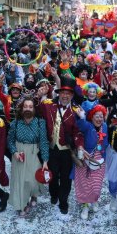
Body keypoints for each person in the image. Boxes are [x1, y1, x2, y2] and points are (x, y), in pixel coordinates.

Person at [38, 77, 84, 214]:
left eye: (68, 94)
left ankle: (63, 201)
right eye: (63, 93)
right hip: (51, 149)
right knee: (52, 175)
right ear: (59, 93)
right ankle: (54, 194)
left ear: (72, 95)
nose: (65, 96)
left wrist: (80, 146)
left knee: (65, 178)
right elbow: (34, 110)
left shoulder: (77, 111)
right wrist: (38, 96)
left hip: (66, 151)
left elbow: (78, 132)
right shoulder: (47, 104)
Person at [7, 98, 49, 217]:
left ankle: (34, 195)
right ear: (22, 108)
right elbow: (10, 140)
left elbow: (44, 142)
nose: (28, 109)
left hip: (34, 153)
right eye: (25, 106)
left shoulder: (40, 122)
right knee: (21, 181)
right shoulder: (15, 123)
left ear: (34, 109)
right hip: (19, 153)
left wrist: (45, 160)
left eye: (31, 107)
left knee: (32, 180)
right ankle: (21, 204)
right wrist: (14, 152)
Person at [74, 104, 109, 220]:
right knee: (85, 184)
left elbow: (107, 141)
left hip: (101, 159)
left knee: (97, 185)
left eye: (101, 116)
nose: (99, 119)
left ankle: (94, 200)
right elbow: (80, 125)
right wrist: (81, 117)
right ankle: (85, 204)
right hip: (87, 157)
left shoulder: (105, 126)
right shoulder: (88, 126)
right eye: (96, 116)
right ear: (92, 117)